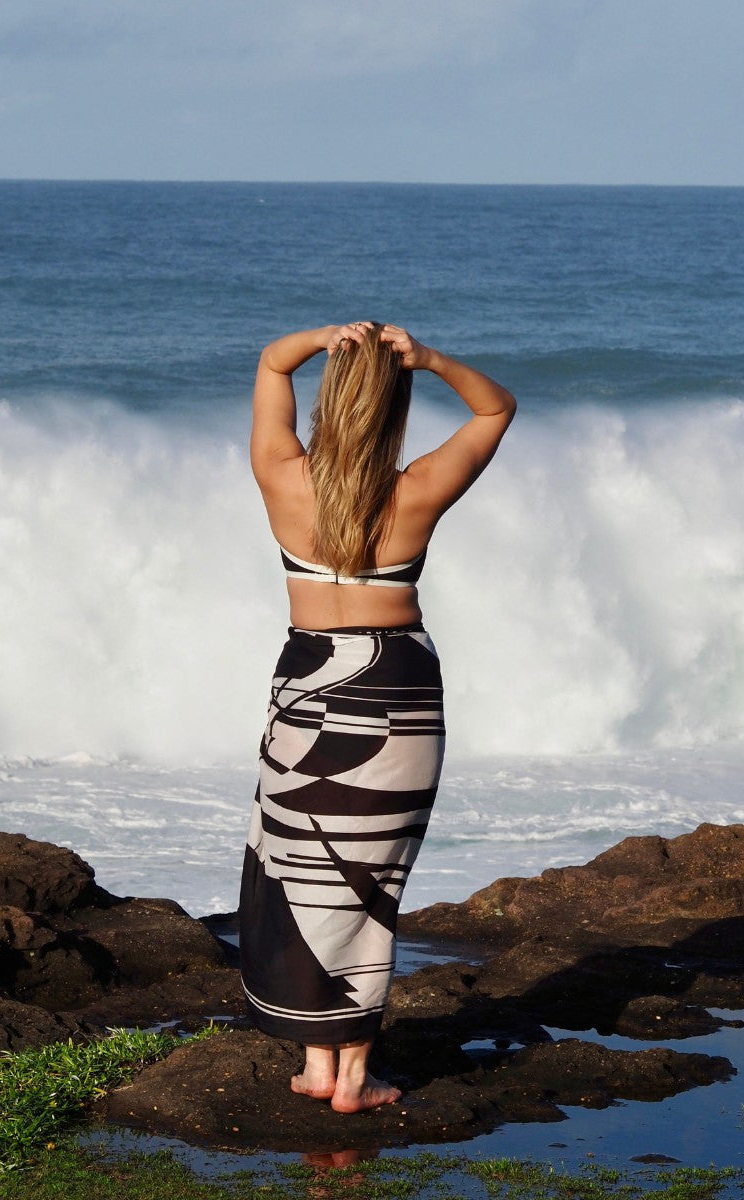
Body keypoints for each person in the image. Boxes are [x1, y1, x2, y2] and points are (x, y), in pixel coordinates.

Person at [239, 321, 515, 1113]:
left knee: (303, 864)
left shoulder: (281, 475)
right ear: (395, 411)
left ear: (328, 406)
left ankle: (325, 1064)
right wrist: (428, 359)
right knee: (367, 880)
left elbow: (269, 361)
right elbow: (496, 409)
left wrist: (321, 339)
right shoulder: (417, 487)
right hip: (394, 686)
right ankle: (348, 1078)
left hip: (309, 681)